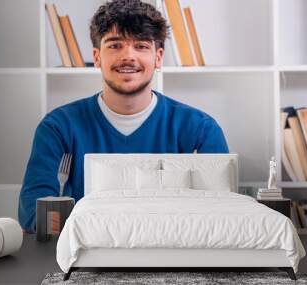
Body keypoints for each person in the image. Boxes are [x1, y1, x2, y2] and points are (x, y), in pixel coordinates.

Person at [18, 0, 229, 232]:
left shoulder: (200, 130)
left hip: (171, 260)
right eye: (115, 45)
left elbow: (220, 217)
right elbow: (33, 216)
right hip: (83, 259)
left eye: (140, 46)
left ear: (158, 58)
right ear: (97, 57)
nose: (128, 56)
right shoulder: (58, 127)